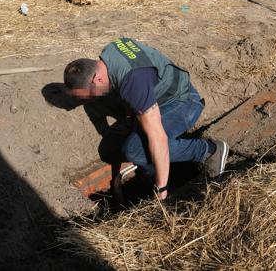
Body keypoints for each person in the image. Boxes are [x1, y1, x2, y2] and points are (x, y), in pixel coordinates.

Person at [64, 37, 229, 200]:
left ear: (97, 79)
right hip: (159, 97)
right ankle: (152, 170)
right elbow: (124, 86)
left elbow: (158, 137)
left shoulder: (133, 81)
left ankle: (209, 150)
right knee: (120, 143)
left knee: (134, 149)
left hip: (183, 103)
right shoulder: (110, 53)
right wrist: (129, 120)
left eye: (91, 95)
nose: (92, 100)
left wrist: (162, 188)